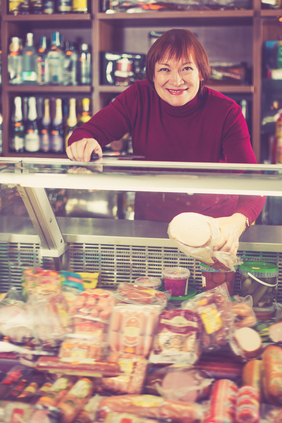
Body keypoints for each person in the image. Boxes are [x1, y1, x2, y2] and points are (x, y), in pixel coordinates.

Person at [67, 29, 266, 256]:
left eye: (186, 69)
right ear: (152, 75)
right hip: (151, 228)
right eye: (164, 69)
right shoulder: (137, 97)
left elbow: (254, 182)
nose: (176, 80)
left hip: (211, 231)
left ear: (201, 73)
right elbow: (85, 133)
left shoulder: (226, 111)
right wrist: (86, 142)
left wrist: (236, 223)